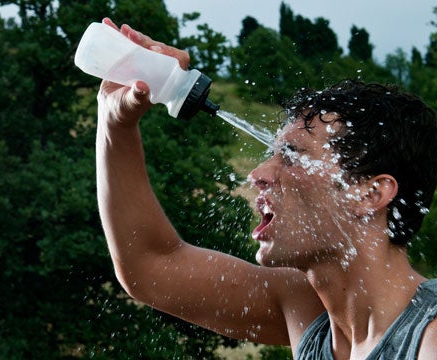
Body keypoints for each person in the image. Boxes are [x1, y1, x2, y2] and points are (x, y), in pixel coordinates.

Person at [94, 17, 437, 359]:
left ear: (370, 194)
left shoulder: (428, 339)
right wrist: (115, 123)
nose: (257, 174)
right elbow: (150, 265)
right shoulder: (306, 309)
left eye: (292, 155)